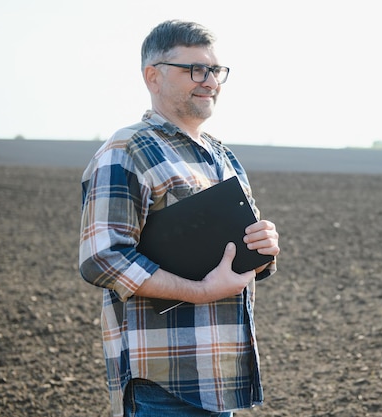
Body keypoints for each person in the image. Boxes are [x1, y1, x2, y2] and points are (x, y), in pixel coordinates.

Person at [79, 20, 280, 417]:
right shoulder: (127, 149)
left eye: (215, 71)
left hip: (221, 380)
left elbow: (237, 257)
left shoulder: (223, 157)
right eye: (194, 69)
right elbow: (102, 257)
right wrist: (201, 291)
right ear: (153, 76)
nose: (209, 81)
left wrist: (264, 248)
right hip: (163, 385)